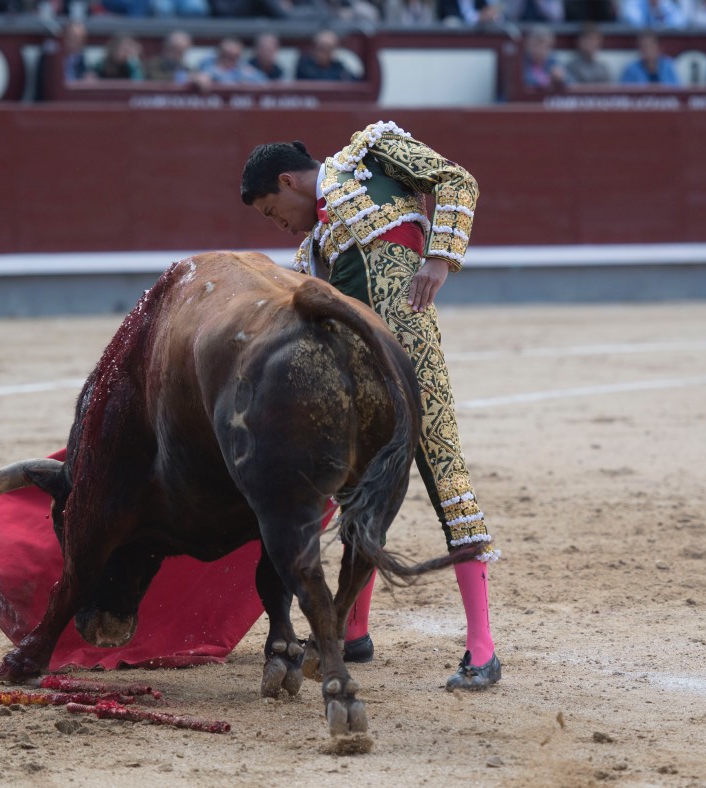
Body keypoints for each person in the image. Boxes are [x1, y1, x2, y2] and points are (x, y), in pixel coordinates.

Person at [240, 120, 501, 690]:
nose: (280, 223)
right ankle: (353, 634)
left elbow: (456, 180)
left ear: (288, 181)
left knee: (447, 480)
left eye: (272, 210)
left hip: (415, 361)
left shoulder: (372, 154)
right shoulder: (311, 252)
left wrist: (441, 258)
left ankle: (482, 650)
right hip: (356, 378)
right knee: (354, 492)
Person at [295, 30, 360, 81]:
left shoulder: (338, 67)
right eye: (321, 47)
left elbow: (354, 82)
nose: (323, 51)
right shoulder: (305, 66)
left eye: (328, 47)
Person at [198, 38, 268, 83]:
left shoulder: (244, 69)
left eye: (234, 57)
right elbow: (193, 77)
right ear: (219, 54)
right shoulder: (207, 66)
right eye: (226, 55)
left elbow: (264, 83)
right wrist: (197, 78)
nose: (229, 60)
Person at [522, 25, 568, 89]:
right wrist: (549, 81)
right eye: (538, 46)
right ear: (528, 45)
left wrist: (561, 79)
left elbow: (569, 82)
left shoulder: (553, 60)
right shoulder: (520, 61)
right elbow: (525, 82)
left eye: (546, 47)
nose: (542, 51)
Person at [617, 0, 689, 27]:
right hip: (637, 44)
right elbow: (635, 23)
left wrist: (658, 10)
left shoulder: (665, 3)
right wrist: (650, 8)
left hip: (664, 43)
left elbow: (681, 23)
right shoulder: (632, 3)